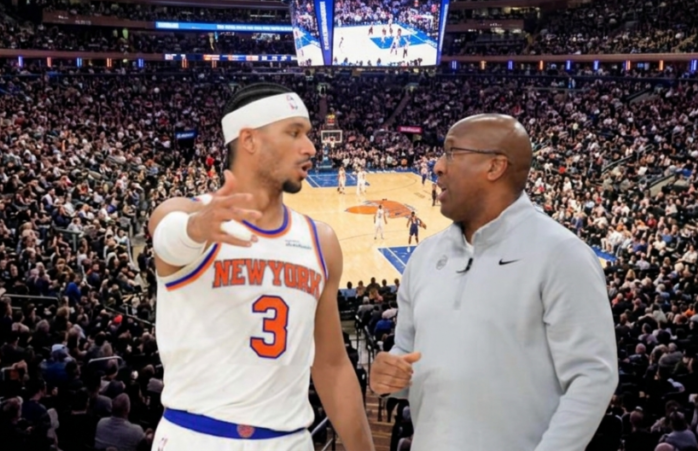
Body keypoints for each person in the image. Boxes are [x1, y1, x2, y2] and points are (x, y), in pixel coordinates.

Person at [369, 113, 617, 451]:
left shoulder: (561, 254)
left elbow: (592, 377)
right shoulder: (426, 256)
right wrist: (391, 374)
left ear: (494, 167)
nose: (438, 166)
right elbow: (406, 353)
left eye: (452, 153)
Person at [148, 83, 373, 451]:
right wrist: (196, 229)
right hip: (196, 438)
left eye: (309, 134)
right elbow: (167, 238)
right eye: (294, 132)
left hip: (290, 441)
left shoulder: (321, 241)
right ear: (249, 139)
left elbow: (332, 366)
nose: (311, 147)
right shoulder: (185, 214)